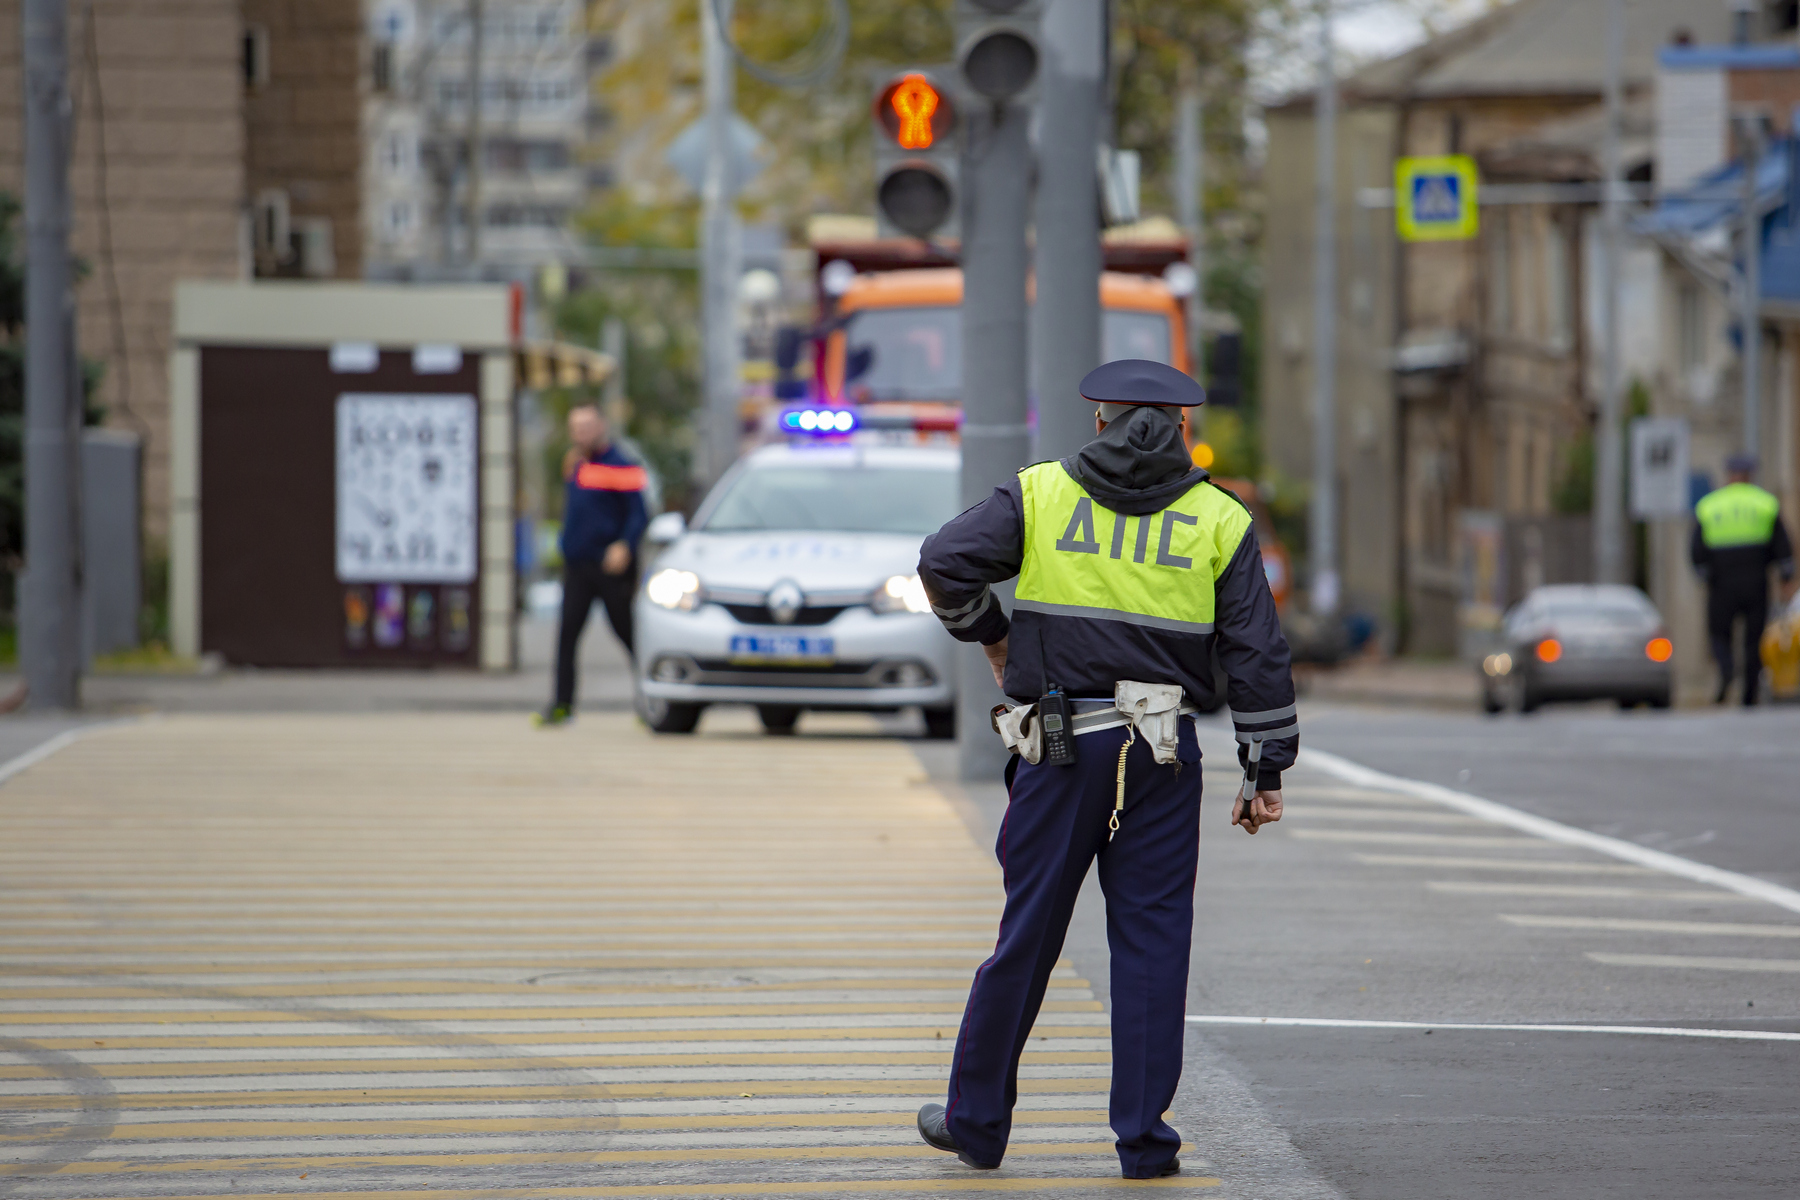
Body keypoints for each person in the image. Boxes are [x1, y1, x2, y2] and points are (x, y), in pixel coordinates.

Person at [911, 359, 1297, 1179]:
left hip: (1060, 747)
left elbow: (943, 562)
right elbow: (1258, 652)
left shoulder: (1042, 492)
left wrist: (994, 636)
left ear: (1100, 423)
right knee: (1153, 945)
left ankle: (976, 1125)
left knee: (1028, 937)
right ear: (1184, 433)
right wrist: (1264, 771)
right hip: (1160, 753)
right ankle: (1145, 1144)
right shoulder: (1217, 519)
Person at [537, 405, 647, 726]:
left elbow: (639, 513)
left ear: (602, 426)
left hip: (610, 567)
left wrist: (625, 544)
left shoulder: (623, 464)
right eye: (576, 427)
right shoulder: (576, 465)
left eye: (587, 425)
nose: (582, 432)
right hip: (578, 566)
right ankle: (562, 705)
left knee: (629, 635)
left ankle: (652, 699)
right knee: (567, 636)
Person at [1692, 453, 1797, 706]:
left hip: (1722, 584)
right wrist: (1786, 576)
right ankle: (1749, 695)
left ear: (1729, 476)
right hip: (1755, 581)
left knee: (1719, 634)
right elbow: (1782, 546)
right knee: (1754, 640)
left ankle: (1727, 668)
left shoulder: (1710, 505)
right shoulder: (1764, 503)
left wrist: (1704, 574)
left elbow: (1696, 549)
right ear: (1749, 476)